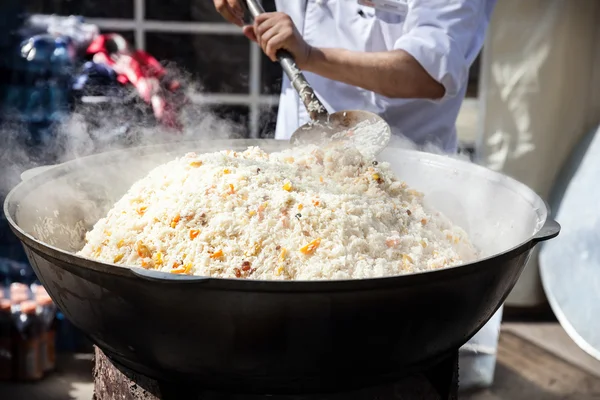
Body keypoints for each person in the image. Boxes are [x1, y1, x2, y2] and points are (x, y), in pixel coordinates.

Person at [214, 0, 498, 390]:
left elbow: (428, 71)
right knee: (275, 337)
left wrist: (311, 55)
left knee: (376, 353)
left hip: (398, 193)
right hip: (291, 175)